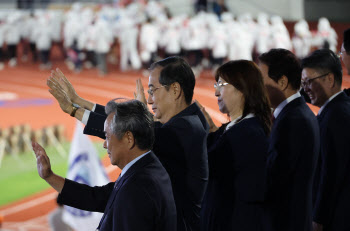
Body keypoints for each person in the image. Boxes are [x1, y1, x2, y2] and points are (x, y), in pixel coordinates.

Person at [47, 56, 209, 231]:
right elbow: (124, 124)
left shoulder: (184, 128)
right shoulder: (187, 122)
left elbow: (128, 128)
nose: (149, 100)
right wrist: (79, 103)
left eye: (153, 90)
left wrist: (74, 111)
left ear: (175, 89)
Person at [32, 99, 177, 231]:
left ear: (129, 139)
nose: (104, 144)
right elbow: (97, 197)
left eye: (107, 136)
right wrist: (49, 176)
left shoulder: (138, 187)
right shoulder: (145, 167)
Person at [198, 60, 272, 231]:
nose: (216, 92)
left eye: (221, 84)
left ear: (242, 89)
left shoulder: (248, 134)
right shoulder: (237, 128)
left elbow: (208, 165)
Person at [258, 48, 320, 231]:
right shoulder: (296, 113)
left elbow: (274, 179)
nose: (257, 88)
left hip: (285, 221)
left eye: (261, 81)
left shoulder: (292, 121)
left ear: (282, 82)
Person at [301, 49, 350, 231]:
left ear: (329, 79)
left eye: (308, 82)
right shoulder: (335, 110)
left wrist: (318, 217)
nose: (305, 88)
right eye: (302, 83)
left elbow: (331, 173)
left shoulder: (337, 116)